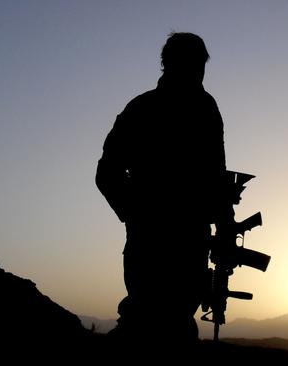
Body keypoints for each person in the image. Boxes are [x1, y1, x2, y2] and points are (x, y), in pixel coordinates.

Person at [96, 32, 229, 351]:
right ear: (170, 65)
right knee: (147, 324)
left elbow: (217, 177)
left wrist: (223, 229)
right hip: (154, 244)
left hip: (188, 242)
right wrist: (137, 216)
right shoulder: (144, 110)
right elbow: (107, 173)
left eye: (200, 66)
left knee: (174, 327)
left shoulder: (204, 109)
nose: (198, 73)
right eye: (193, 65)